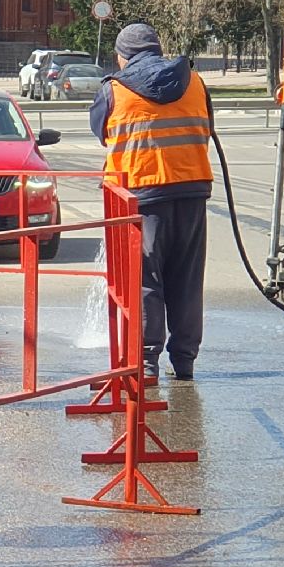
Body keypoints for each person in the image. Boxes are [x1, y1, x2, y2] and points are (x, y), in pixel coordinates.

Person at [89, 23, 214, 382]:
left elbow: (101, 132)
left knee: (146, 278)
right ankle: (185, 361)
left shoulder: (114, 89)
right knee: (187, 279)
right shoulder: (194, 82)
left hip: (141, 195)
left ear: (122, 56)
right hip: (191, 191)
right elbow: (205, 128)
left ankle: (146, 362)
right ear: (158, 50)